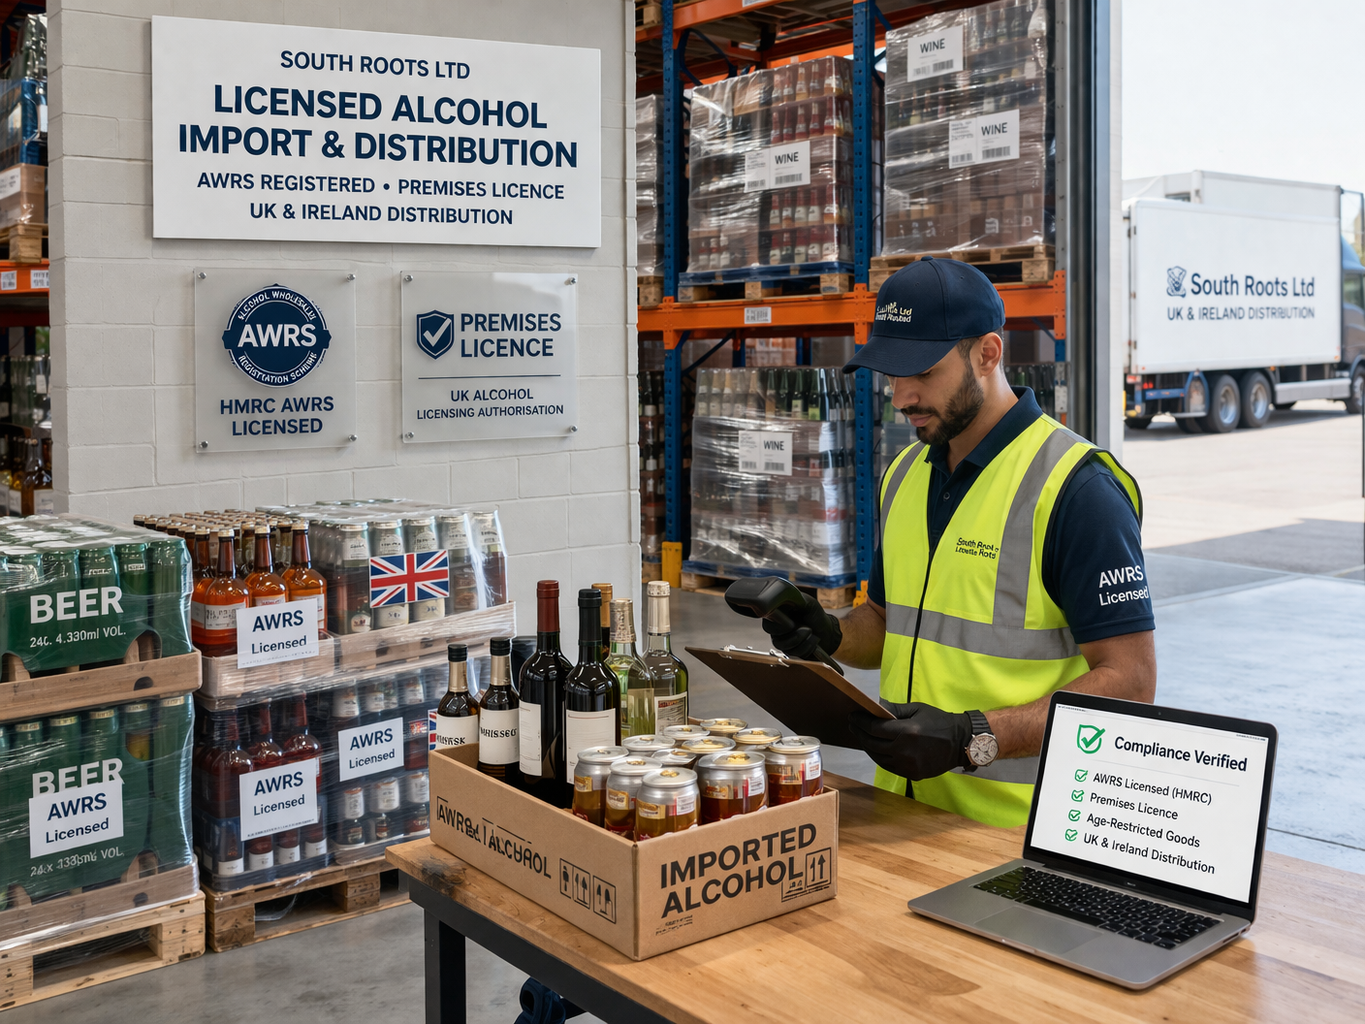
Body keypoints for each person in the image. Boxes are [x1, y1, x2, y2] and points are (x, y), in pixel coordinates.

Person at [760, 257, 1156, 827]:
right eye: (892, 375)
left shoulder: (1076, 489)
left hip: (1020, 834)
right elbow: (889, 624)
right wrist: (832, 634)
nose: (902, 396)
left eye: (922, 372)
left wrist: (972, 738)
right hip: (901, 813)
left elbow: (1131, 684)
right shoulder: (903, 475)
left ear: (987, 354)